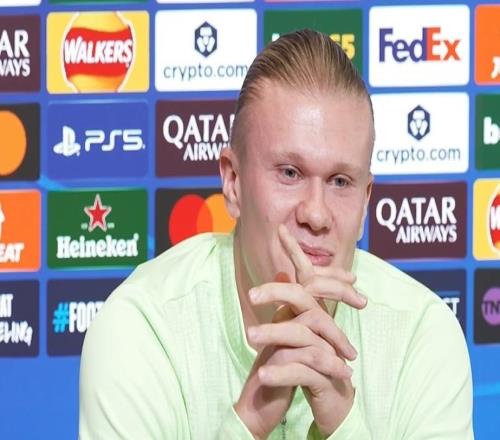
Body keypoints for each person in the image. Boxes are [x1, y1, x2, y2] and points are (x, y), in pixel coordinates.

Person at [79, 29, 473, 439]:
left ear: (365, 202)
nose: (316, 214)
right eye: (290, 173)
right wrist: (249, 421)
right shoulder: (142, 327)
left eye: (340, 181)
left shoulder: (423, 335)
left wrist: (342, 424)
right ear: (233, 183)